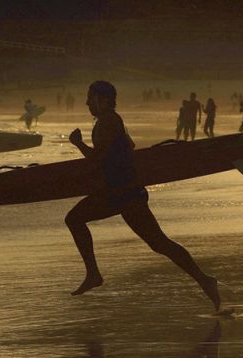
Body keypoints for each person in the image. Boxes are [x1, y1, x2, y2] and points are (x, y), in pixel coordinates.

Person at [65, 81, 220, 311]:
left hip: (121, 193)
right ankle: (204, 279)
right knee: (159, 243)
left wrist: (78, 144)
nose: (87, 102)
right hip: (126, 191)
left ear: (104, 100)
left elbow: (98, 159)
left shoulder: (108, 121)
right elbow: (128, 147)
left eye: (91, 97)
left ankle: (93, 274)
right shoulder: (111, 121)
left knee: (74, 219)